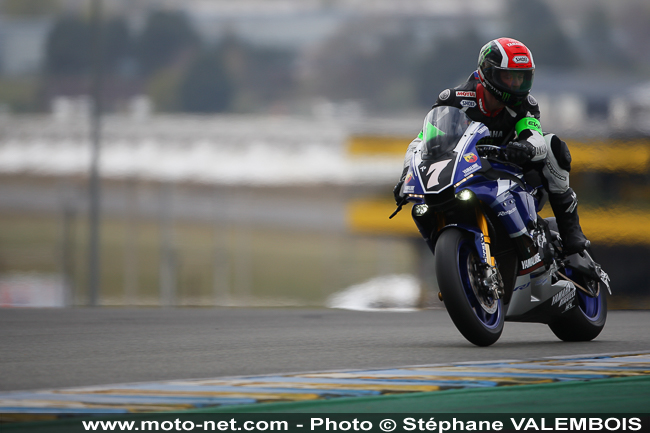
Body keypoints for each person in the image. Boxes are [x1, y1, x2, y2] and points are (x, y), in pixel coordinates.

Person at [394, 37, 589, 255]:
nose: (516, 85)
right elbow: (421, 143)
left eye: (521, 78)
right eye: (509, 77)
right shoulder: (454, 99)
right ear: (488, 72)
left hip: (511, 166)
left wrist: (525, 147)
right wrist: (406, 176)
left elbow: (535, 137)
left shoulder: (525, 105)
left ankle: (571, 230)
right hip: (464, 170)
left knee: (553, 146)